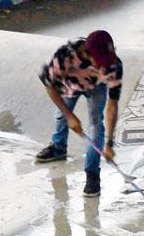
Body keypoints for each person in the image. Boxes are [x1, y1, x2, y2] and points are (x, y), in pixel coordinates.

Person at [35, 31, 123, 197]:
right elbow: (49, 86)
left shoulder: (113, 65)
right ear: (85, 53)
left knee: (96, 125)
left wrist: (110, 143)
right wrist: (70, 116)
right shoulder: (65, 56)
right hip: (70, 85)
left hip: (96, 87)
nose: (103, 67)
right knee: (61, 117)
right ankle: (58, 149)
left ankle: (92, 174)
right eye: (99, 62)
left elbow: (112, 104)